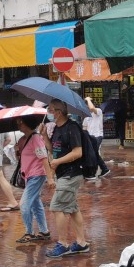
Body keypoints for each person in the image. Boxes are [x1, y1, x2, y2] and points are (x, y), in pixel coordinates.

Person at [44, 99, 90, 258]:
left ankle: (63, 244)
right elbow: (54, 149)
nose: (49, 113)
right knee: (73, 209)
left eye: (51, 110)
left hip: (71, 174)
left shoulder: (72, 128)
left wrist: (58, 161)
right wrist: (44, 136)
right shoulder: (57, 128)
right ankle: (82, 243)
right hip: (63, 173)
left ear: (59, 111)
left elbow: (78, 152)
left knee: (57, 207)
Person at [14, 116, 53, 244]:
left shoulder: (36, 138)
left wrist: (50, 178)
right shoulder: (23, 139)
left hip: (36, 175)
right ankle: (44, 231)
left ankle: (29, 232)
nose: (19, 125)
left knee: (24, 204)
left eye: (21, 122)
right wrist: (17, 151)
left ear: (27, 124)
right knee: (36, 203)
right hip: (28, 175)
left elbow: (44, 159)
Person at [83, 97, 112, 179]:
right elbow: (84, 128)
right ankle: (103, 169)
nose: (87, 108)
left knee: (93, 153)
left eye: (87, 106)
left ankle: (95, 171)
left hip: (97, 136)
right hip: (89, 137)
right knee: (94, 154)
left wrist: (88, 99)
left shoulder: (98, 111)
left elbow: (92, 108)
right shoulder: (86, 117)